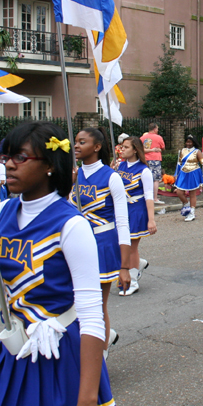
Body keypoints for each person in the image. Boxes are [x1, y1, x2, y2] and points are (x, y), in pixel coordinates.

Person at [0, 121, 116, 406]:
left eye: (20, 157)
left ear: (49, 165)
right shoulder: (1, 214)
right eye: (6, 157)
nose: (8, 165)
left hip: (63, 354)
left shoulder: (71, 224)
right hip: (16, 352)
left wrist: (86, 402)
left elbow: (92, 315)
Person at [72, 126, 131, 359]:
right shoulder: (76, 175)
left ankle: (100, 356)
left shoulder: (111, 176)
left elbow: (123, 223)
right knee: (76, 305)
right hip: (77, 246)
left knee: (96, 306)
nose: (76, 145)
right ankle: (107, 335)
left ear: (96, 147)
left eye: (82, 142)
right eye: (75, 141)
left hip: (103, 245)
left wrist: (125, 267)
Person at [116, 136, 156, 296]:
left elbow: (149, 196)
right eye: (122, 147)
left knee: (130, 247)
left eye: (126, 147)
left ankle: (132, 281)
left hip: (136, 211)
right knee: (120, 245)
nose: (122, 149)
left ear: (135, 150)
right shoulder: (120, 166)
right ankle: (138, 264)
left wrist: (151, 219)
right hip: (121, 210)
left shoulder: (144, 170)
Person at [175, 135, 203, 222]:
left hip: (193, 172)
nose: (188, 143)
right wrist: (176, 174)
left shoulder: (197, 151)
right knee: (179, 192)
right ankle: (187, 205)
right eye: (187, 142)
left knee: (192, 194)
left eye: (190, 142)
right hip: (183, 173)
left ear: (193, 142)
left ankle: (192, 212)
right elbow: (179, 163)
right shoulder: (182, 151)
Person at [140, 123, 166, 205]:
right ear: (154, 129)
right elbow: (163, 148)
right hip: (155, 159)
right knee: (156, 179)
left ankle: (146, 197)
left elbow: (140, 149)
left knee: (145, 178)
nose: (158, 130)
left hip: (145, 159)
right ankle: (154, 198)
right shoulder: (158, 137)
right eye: (157, 128)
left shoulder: (143, 138)